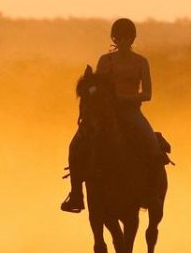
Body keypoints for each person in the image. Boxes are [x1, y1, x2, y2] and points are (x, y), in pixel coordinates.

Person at [61, 18, 163, 213]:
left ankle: (152, 193)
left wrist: (124, 98)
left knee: (151, 145)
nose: (122, 42)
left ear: (132, 39)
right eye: (119, 38)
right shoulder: (105, 60)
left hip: (132, 111)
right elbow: (98, 87)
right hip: (106, 112)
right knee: (75, 145)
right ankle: (76, 194)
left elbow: (147, 94)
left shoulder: (141, 62)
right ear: (114, 39)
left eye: (126, 38)